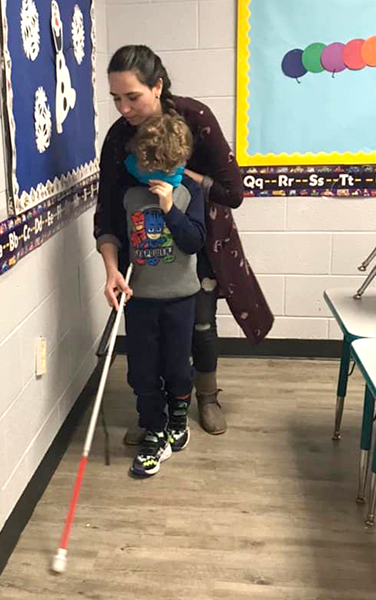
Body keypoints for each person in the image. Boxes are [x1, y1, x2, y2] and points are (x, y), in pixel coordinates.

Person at [94, 45, 274, 446]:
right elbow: (106, 214)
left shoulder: (195, 118)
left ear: (156, 86)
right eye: (115, 99)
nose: (123, 108)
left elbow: (233, 192)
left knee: (200, 322)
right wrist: (111, 270)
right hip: (143, 245)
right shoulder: (118, 137)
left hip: (199, 234)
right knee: (148, 338)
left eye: (133, 96)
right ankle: (153, 413)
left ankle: (206, 396)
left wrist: (177, 176)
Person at [117, 113, 205, 477]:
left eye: (167, 167)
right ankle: (153, 428)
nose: (156, 174)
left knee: (176, 366)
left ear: (180, 163)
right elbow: (122, 243)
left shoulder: (189, 192)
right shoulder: (130, 193)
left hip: (180, 297)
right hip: (139, 298)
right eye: (148, 165)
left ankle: (178, 419)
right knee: (142, 369)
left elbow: (193, 241)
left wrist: (170, 209)